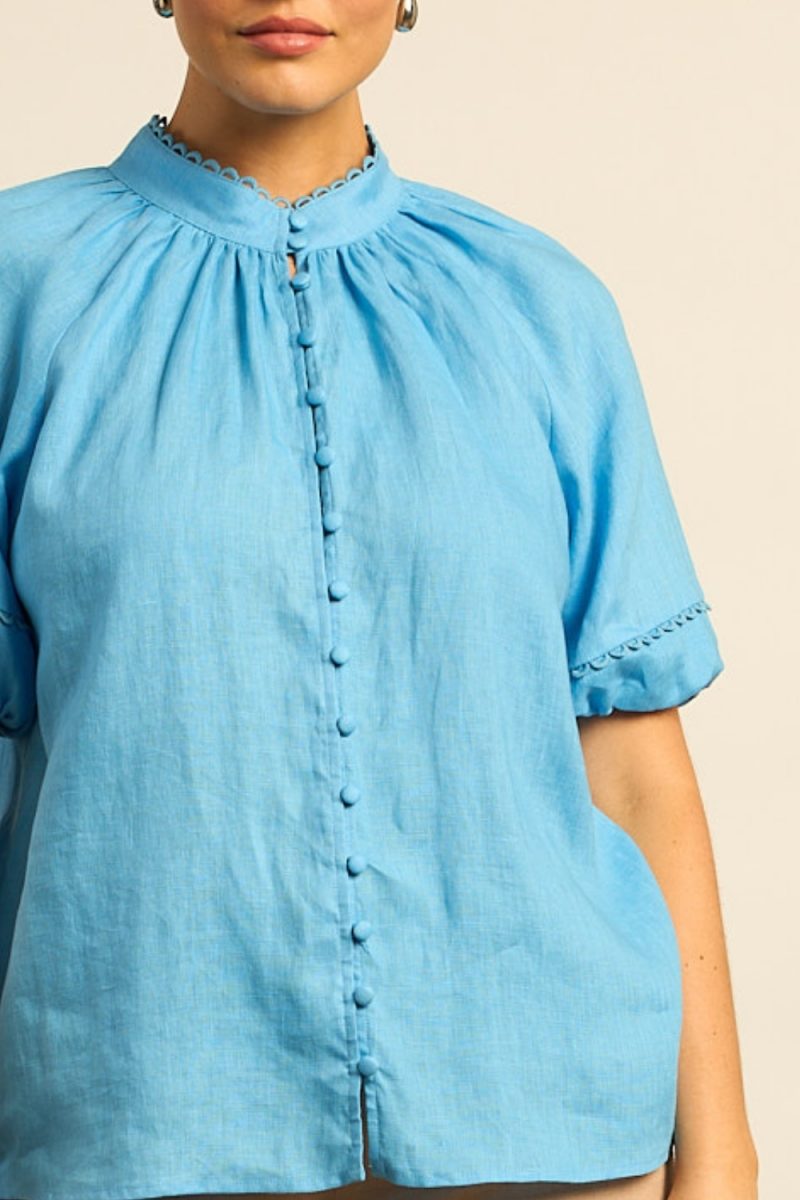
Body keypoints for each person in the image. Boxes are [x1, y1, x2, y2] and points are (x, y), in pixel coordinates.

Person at [0, 2, 758, 1199]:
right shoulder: (23, 285)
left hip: (558, 1137)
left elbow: (629, 763)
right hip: (143, 1127)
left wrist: (720, 1156)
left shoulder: (537, 303)